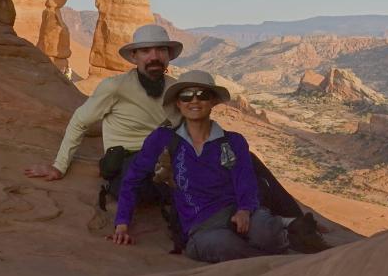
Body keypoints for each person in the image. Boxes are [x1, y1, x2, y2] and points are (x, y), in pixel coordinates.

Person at [110, 70, 289, 263]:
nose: (194, 101)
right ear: (178, 103)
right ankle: (278, 263)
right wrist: (122, 224)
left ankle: (288, 238)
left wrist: (244, 209)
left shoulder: (233, 141)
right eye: (186, 96)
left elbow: (245, 180)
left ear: (212, 102)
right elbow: (133, 177)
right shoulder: (163, 139)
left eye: (202, 95)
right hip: (200, 226)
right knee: (222, 245)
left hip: (235, 211)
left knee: (265, 232)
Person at [24, 24, 182, 204]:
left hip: (166, 158)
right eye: (145, 51)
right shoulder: (115, 87)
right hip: (129, 158)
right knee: (135, 189)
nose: (154, 57)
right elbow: (80, 121)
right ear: (134, 56)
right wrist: (59, 166)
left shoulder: (176, 89)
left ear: (169, 55)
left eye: (161, 50)